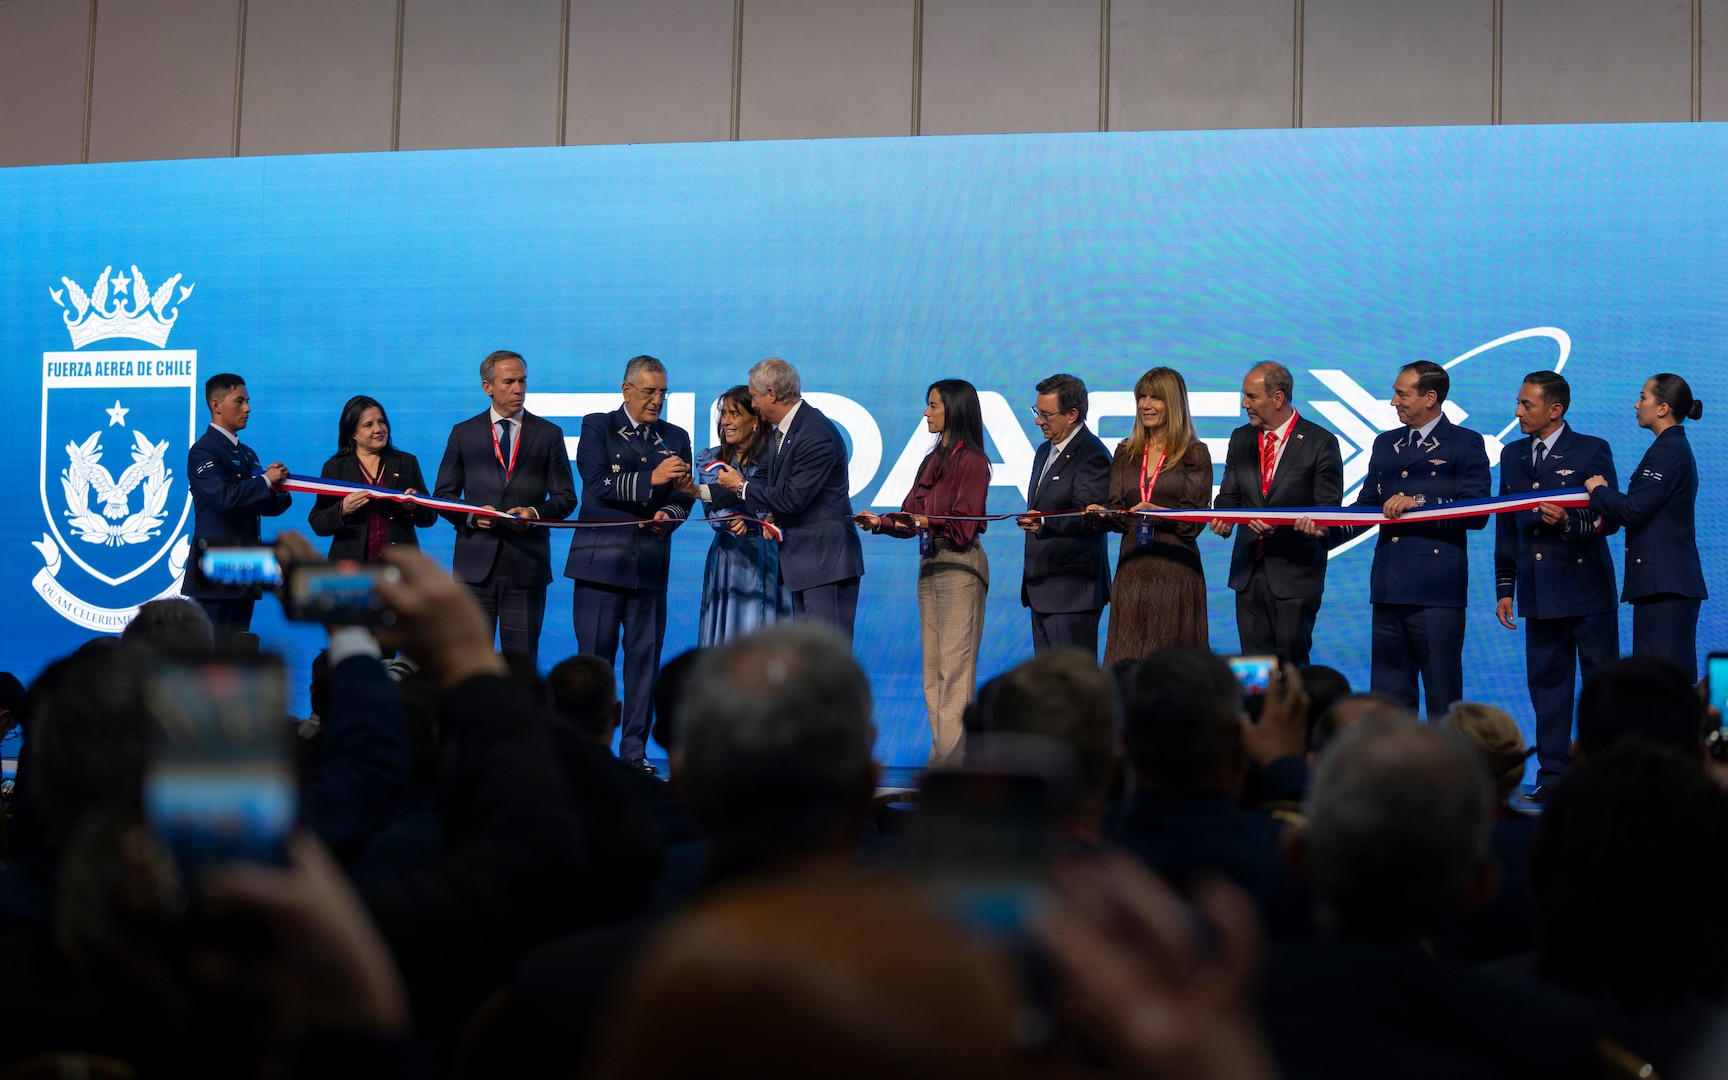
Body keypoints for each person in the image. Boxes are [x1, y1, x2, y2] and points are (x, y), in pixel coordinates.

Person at [1297, 361, 1490, 720]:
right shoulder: (1386, 444)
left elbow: (1476, 512)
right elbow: (1367, 508)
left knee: (1442, 695)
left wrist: (1419, 503)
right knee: (1387, 699)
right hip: (1389, 586)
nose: (1392, 402)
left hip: (1437, 591)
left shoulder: (1465, 443)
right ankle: (1392, 773)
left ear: (1430, 397)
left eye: (1402, 394)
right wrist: (1327, 530)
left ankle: (1446, 773)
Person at [563, 355, 695, 774]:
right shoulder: (596, 424)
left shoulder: (677, 436)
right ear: (626, 390)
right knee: (594, 667)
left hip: (650, 566)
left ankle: (634, 753)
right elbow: (596, 484)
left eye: (662, 392)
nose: (657, 400)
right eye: (649, 392)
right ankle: (586, 751)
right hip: (600, 564)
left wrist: (670, 515)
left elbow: (685, 495)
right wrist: (650, 480)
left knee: (644, 664)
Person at [1491, 371, 1619, 800]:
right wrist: (1504, 587)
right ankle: (1553, 776)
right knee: (1546, 687)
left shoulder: (1591, 450)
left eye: (1526, 405)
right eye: (1519, 402)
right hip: (1538, 593)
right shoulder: (1511, 456)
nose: (1518, 412)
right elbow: (1506, 526)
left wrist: (1568, 522)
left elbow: (1608, 519)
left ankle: (1604, 775)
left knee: (1602, 688)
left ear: (1555, 410)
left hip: (1587, 590)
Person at [857, 379, 991, 767]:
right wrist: (881, 522)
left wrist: (922, 520)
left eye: (933, 406)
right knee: (933, 670)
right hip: (930, 565)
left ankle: (954, 762)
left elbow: (964, 527)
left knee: (955, 667)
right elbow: (910, 515)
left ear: (955, 409)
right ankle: (943, 755)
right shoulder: (933, 459)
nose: (926, 413)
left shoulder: (973, 461)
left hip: (960, 567)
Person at [433, 350, 577, 661]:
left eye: (522, 381)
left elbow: (566, 498)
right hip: (475, 569)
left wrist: (535, 514)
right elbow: (442, 495)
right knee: (471, 663)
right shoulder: (464, 433)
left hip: (527, 566)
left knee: (522, 665)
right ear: (488, 387)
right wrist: (472, 516)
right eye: (509, 382)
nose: (518, 389)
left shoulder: (548, 434)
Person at [710, 358, 865, 638]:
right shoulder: (785, 432)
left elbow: (792, 499)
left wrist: (741, 486)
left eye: (755, 397)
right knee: (808, 665)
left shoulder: (816, 434)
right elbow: (763, 483)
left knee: (829, 660)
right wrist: (695, 491)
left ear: (772, 394)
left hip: (825, 565)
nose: (754, 405)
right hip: (803, 566)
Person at [1210, 362, 1343, 665]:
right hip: (1248, 574)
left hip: (1294, 576)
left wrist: (1280, 527)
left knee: (1291, 670)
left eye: (1251, 397)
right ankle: (1258, 714)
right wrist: (1226, 520)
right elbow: (1228, 497)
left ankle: (1294, 714)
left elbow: (1328, 510)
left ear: (1278, 398)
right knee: (1254, 670)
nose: (1244, 404)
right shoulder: (1241, 438)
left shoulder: (1320, 442)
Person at [1585, 373, 1708, 682]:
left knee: (1662, 683)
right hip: (1663, 584)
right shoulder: (1669, 447)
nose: (1636, 404)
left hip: (1665, 586)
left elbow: (1634, 509)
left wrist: (1597, 491)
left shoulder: (1668, 450)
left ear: (1663, 408)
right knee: (1660, 681)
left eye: (1643, 397)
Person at [1087, 367, 1212, 664]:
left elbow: (1192, 522)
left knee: (1172, 665)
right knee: (1127, 659)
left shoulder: (1194, 453)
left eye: (1155, 398)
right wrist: (1101, 514)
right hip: (1132, 569)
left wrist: (1160, 513)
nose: (1145, 404)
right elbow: (1119, 513)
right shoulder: (1126, 452)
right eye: (1141, 397)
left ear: (1174, 403)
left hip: (1175, 569)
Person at [181, 372, 293, 644]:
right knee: (212, 652)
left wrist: (282, 487)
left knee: (239, 651)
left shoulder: (248, 453)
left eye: (248, 401)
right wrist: (266, 480)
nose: (247, 408)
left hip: (247, 563)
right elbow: (224, 498)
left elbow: (265, 506)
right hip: (217, 562)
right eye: (239, 401)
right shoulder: (203, 450)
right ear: (216, 405)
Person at [1017, 373, 1113, 657]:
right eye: (1037, 412)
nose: (1038, 421)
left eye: (1046, 415)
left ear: (1072, 414)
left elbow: (1089, 517)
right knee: (1048, 688)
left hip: (1072, 594)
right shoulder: (1044, 451)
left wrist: (1043, 521)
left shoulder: (1092, 454)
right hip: (1042, 589)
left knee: (1073, 688)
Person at [692, 386, 792, 644]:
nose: (725, 421)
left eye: (734, 414)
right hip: (729, 559)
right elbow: (712, 503)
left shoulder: (778, 458)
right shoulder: (711, 458)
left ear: (755, 419)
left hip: (771, 557)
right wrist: (730, 520)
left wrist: (755, 519)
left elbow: (778, 502)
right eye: (723, 414)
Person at [307, 395, 438, 561]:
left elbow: (429, 518)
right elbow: (318, 523)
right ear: (352, 433)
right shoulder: (335, 467)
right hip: (351, 573)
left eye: (381, 421)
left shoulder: (406, 462)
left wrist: (415, 506)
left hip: (401, 570)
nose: (379, 429)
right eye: (368, 425)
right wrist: (342, 509)